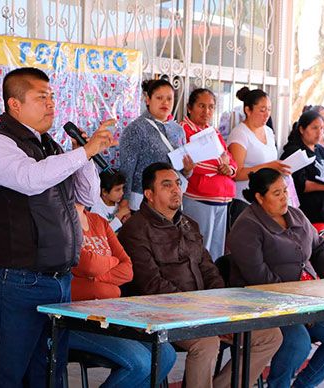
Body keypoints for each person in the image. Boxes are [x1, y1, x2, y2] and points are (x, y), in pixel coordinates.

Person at [0, 67, 116, 387]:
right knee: (6, 376)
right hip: (16, 280)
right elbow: (30, 179)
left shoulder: (49, 145)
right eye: (41, 97)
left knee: (50, 372)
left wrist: (86, 155)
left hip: (59, 280)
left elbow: (87, 196)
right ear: (15, 105)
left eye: (52, 96)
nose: (51, 104)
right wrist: (85, 151)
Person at [118, 162, 282, 388]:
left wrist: (216, 306)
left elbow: (208, 268)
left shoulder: (188, 224)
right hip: (159, 314)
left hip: (202, 311)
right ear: (149, 194)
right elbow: (151, 285)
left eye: (177, 183)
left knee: (270, 335)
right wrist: (197, 310)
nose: (176, 189)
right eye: (167, 185)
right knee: (206, 342)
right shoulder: (135, 229)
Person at [227, 168, 324, 388]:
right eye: (276, 193)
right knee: (298, 342)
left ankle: (303, 386)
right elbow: (258, 277)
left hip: (307, 299)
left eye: (285, 191)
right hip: (265, 304)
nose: (284, 197)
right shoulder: (247, 226)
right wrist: (299, 305)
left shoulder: (296, 215)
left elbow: (321, 246)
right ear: (259, 197)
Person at [70, 203, 176, 386]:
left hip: (111, 317)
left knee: (166, 354)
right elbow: (89, 265)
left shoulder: (99, 221)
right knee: (140, 363)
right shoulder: (63, 222)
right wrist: (110, 265)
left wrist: (97, 276)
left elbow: (127, 269)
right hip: (75, 321)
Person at [119, 79, 195, 211]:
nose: (165, 102)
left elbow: (181, 169)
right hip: (143, 200)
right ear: (148, 100)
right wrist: (124, 203)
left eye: (169, 99)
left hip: (172, 200)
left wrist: (188, 170)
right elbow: (127, 170)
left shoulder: (178, 130)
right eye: (159, 98)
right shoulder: (135, 129)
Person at [181, 88, 237, 261]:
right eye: (201, 106)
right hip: (199, 198)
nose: (207, 111)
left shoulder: (214, 132)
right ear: (190, 107)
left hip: (222, 200)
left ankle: (214, 286)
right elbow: (191, 162)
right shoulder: (183, 130)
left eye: (211, 107)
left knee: (216, 252)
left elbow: (230, 159)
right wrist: (221, 165)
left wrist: (229, 169)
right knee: (199, 249)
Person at [227, 87, 290, 225]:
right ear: (248, 110)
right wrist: (268, 166)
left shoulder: (268, 131)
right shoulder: (240, 134)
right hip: (245, 199)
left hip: (268, 200)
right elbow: (236, 173)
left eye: (269, 109)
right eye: (262, 110)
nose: (266, 114)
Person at [280, 109, 324, 236]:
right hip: (310, 214)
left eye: (322, 128)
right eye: (314, 128)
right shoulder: (294, 152)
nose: (319, 132)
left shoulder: (322, 151)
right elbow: (299, 184)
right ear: (302, 129)